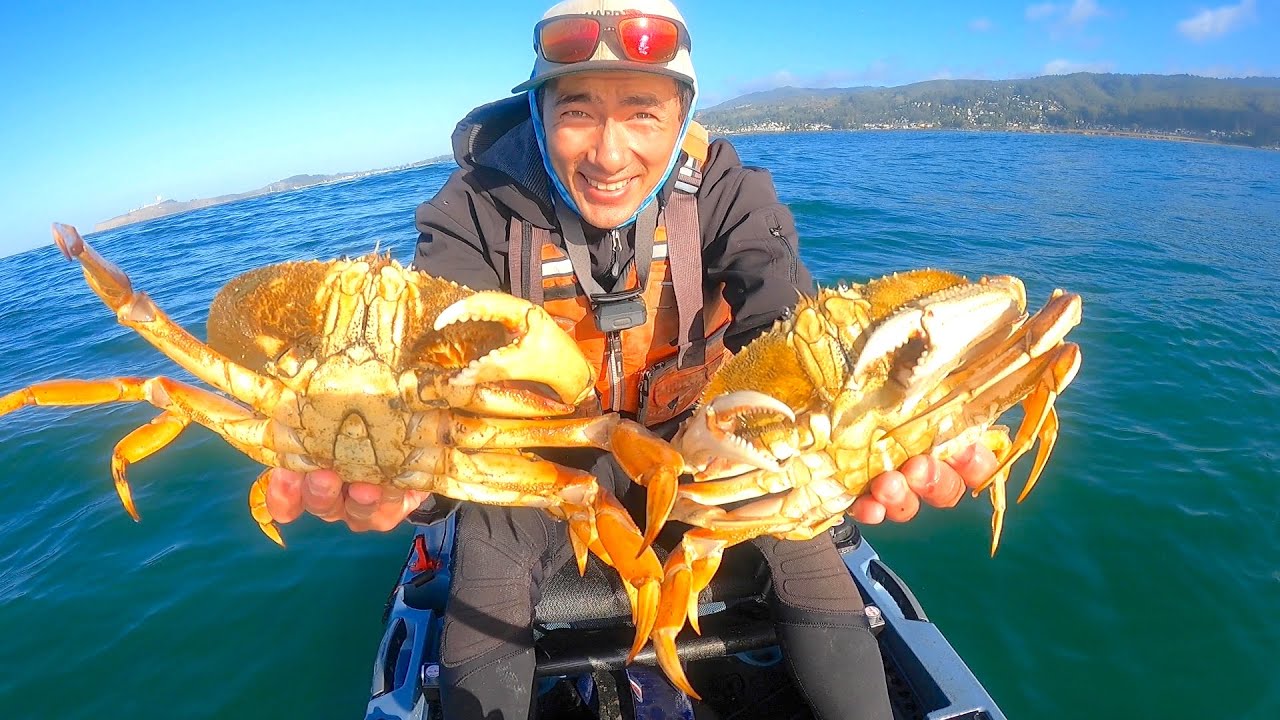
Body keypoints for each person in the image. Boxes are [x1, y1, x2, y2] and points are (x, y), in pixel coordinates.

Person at [265, 0, 997, 717]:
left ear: (682, 117)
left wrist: (878, 422)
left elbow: (790, 327)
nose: (609, 154)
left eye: (643, 111)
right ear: (539, 111)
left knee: (812, 562)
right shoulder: (471, 214)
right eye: (578, 109)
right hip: (541, 470)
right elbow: (433, 398)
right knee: (482, 588)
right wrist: (410, 485)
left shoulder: (724, 191)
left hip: (707, 452)